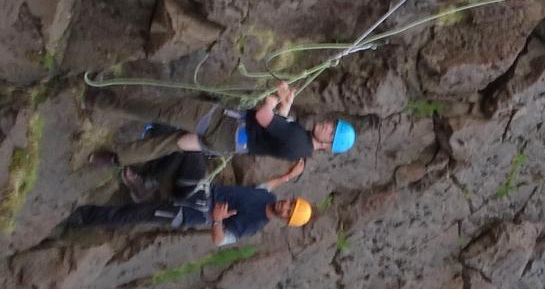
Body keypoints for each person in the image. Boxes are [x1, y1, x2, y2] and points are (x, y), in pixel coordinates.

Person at [64, 145, 311, 244]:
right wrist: (288, 176)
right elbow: (266, 187)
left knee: (135, 214)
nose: (285, 206)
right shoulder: (267, 198)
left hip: (191, 212)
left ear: (284, 220)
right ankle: (147, 183)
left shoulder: (254, 224)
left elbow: (220, 241)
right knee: (190, 150)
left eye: (288, 211)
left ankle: (82, 217)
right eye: (290, 203)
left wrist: (217, 220)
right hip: (199, 191)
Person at [140, 81, 355, 170]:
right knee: (177, 142)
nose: (328, 126)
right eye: (332, 125)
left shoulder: (300, 140)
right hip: (230, 143)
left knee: (174, 114)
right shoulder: (302, 147)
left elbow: (264, 117)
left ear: (328, 146)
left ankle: (129, 107)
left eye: (332, 132)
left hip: (229, 129)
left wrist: (270, 103)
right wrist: (286, 104)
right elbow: (278, 131)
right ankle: (131, 151)